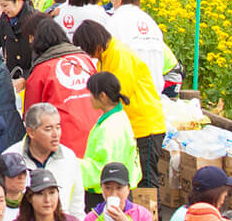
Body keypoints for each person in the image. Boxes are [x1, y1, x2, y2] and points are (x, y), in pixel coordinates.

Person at [71, 22, 162, 189]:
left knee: (146, 184)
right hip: (132, 124)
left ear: (94, 43)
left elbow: (119, 92)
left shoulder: (119, 54)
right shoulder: (104, 58)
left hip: (145, 124)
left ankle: (152, 216)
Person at [21, 21, 97, 157]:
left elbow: (30, 113)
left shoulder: (42, 69)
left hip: (64, 140)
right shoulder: (86, 60)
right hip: (98, 133)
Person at [6, 102, 84, 217]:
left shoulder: (69, 157)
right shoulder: (10, 158)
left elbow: (77, 206)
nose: (55, 134)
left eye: (58, 127)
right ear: (31, 132)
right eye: (48, 129)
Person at [79, 72, 140, 197]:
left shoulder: (111, 128)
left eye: (91, 93)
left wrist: (73, 164)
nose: (89, 97)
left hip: (107, 194)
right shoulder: (116, 117)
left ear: (102, 96)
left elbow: (102, 168)